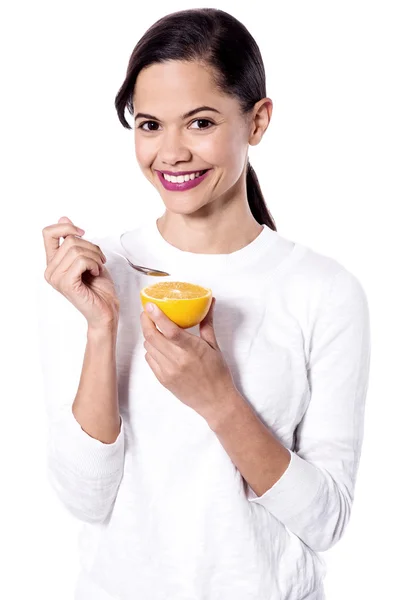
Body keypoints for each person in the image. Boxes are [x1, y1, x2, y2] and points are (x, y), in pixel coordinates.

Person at [39, 8, 371, 600]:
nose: (171, 152)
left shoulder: (323, 291)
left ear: (258, 120)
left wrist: (218, 399)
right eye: (149, 125)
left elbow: (327, 522)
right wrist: (100, 327)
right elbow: (84, 500)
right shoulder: (95, 276)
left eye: (199, 122)